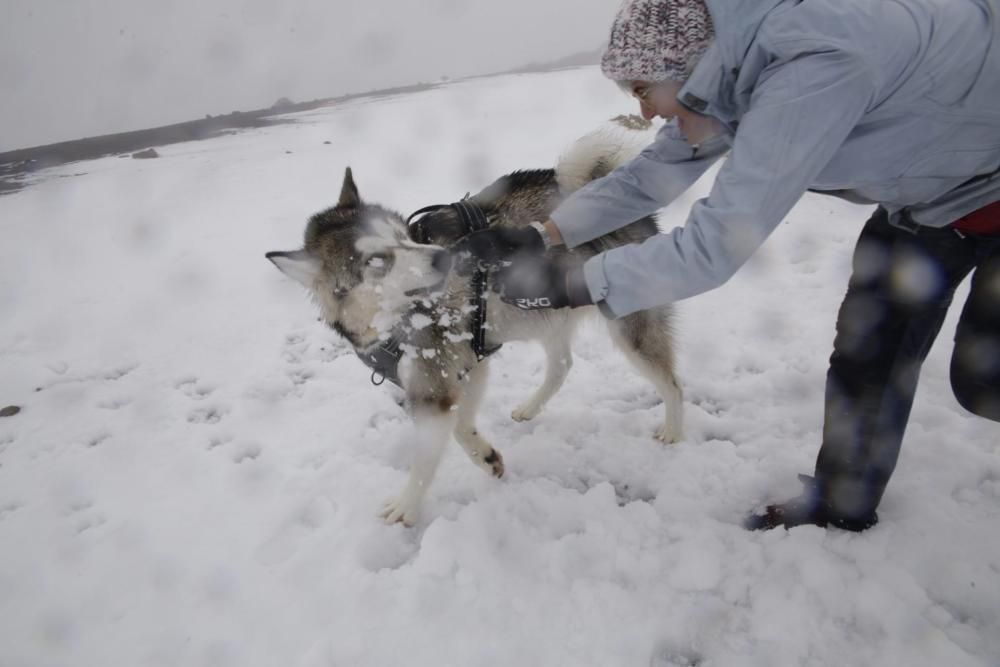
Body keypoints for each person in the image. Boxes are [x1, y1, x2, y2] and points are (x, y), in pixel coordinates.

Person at [456, 0, 1000, 531]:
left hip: (989, 186)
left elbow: (715, 245)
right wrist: (540, 234)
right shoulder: (726, 73)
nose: (643, 112)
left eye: (643, 90)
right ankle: (842, 501)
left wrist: (573, 283)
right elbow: (649, 177)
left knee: (983, 382)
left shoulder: (810, 69)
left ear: (686, 69)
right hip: (928, 205)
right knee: (869, 353)